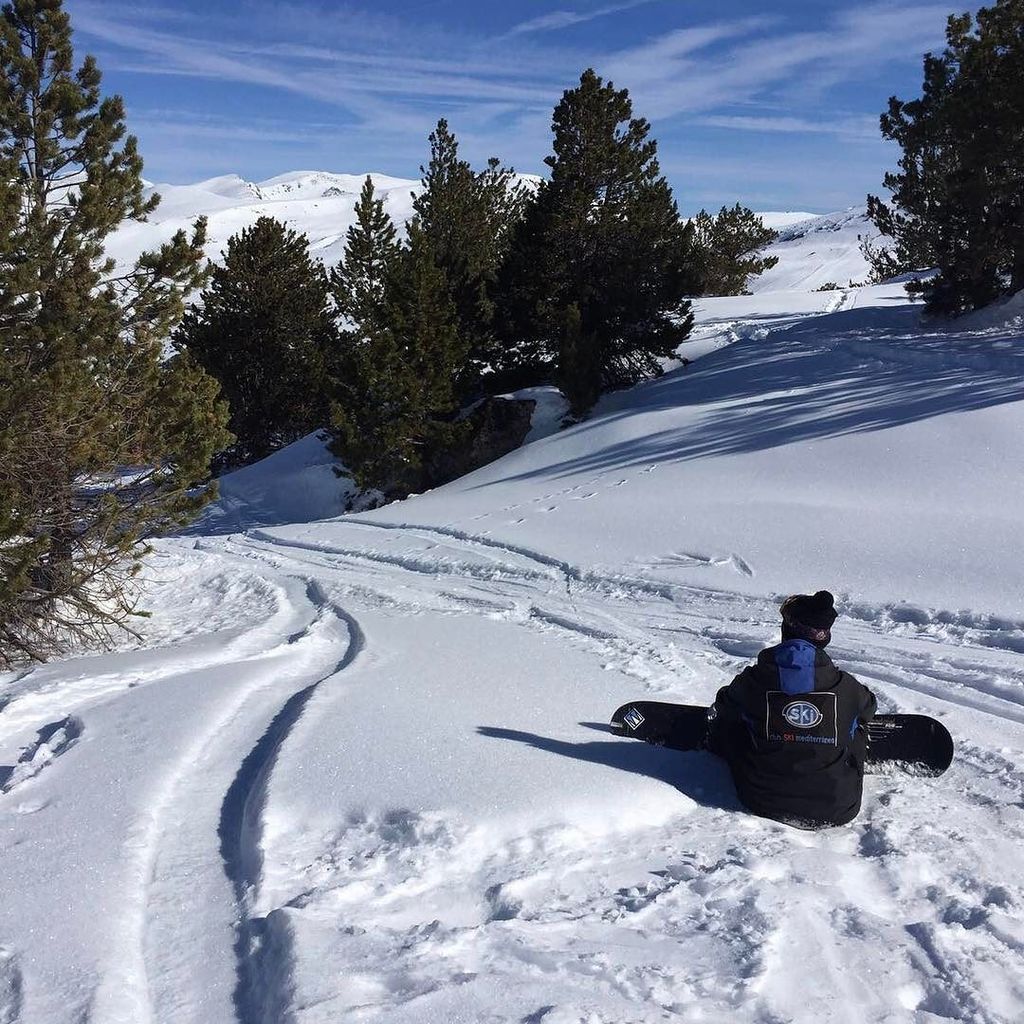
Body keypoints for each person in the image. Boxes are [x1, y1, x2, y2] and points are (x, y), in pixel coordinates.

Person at [707, 590, 877, 827]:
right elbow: (870, 707)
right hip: (838, 807)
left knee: (735, 721)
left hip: (761, 800)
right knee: (857, 721)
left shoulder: (754, 680)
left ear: (786, 630)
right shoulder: (846, 686)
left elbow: (724, 705)